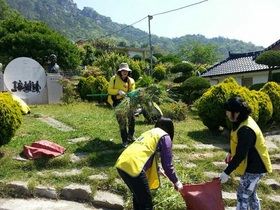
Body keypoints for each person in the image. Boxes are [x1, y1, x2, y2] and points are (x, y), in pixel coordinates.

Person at [115, 117, 183, 210]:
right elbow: (167, 165)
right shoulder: (165, 137)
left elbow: (146, 152)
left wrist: (158, 169)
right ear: (170, 129)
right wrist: (176, 182)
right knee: (146, 205)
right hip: (134, 167)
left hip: (122, 163)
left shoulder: (150, 133)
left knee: (138, 198)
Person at [219, 97, 272, 210]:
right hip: (254, 165)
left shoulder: (246, 129)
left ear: (237, 113)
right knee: (251, 195)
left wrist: (227, 172)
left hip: (255, 168)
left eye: (228, 111)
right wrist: (230, 152)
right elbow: (238, 142)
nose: (227, 114)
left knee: (242, 196)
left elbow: (240, 155)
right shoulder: (240, 121)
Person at [107, 62, 136, 148]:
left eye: (126, 71)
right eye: (123, 71)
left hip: (127, 101)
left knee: (132, 118)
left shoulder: (131, 81)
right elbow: (109, 90)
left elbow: (132, 92)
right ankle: (124, 140)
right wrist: (118, 91)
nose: (124, 72)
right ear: (120, 71)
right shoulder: (114, 79)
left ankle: (131, 135)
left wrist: (130, 95)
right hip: (117, 101)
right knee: (122, 121)